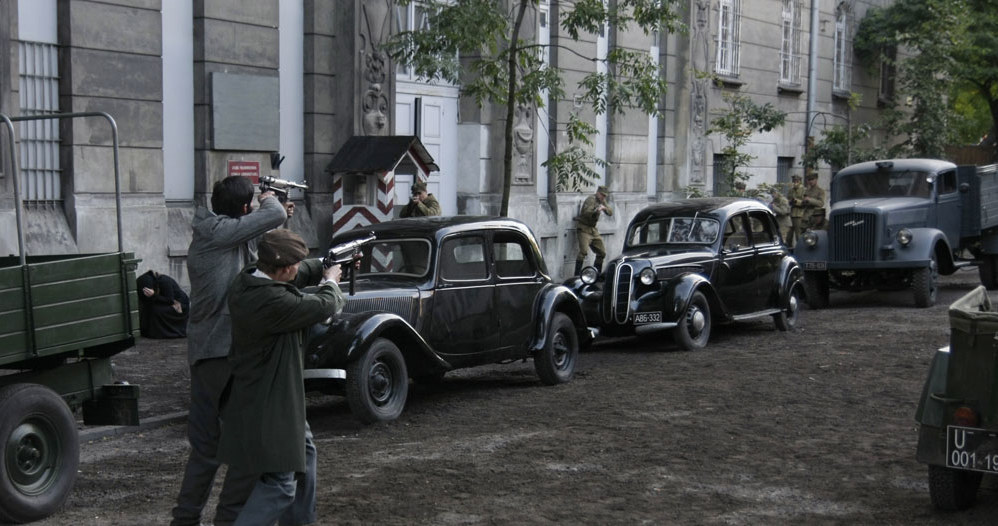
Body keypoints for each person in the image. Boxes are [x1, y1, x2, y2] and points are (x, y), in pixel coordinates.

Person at [172, 175, 290, 526]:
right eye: (249, 206)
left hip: (206, 355)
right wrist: (271, 203)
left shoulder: (215, 232)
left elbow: (254, 254)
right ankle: (228, 519)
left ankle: (185, 520)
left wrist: (272, 212)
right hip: (225, 353)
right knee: (248, 445)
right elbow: (272, 219)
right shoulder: (219, 234)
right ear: (242, 209)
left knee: (206, 450)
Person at [218, 229, 346, 526]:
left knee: (306, 452)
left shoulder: (249, 278)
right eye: (297, 265)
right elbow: (324, 305)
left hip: (269, 393)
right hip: (270, 400)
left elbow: (294, 277)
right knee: (280, 484)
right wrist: (331, 280)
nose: (299, 269)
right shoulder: (272, 301)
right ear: (286, 268)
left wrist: (328, 263)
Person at [136, 269, 189, 339]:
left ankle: (162, 333)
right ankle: (148, 331)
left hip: (179, 304)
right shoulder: (150, 281)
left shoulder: (164, 281)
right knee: (148, 308)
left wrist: (153, 295)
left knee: (156, 310)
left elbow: (169, 300)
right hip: (166, 302)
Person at [574, 185, 613, 276]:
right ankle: (576, 275)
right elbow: (586, 213)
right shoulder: (591, 199)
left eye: (605, 196)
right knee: (583, 252)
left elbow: (610, 212)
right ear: (598, 193)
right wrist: (596, 211)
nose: (603, 197)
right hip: (584, 228)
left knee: (602, 252)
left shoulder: (602, 201)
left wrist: (604, 208)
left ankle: (596, 274)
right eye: (602, 195)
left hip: (593, 229)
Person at [787, 174, 806, 244]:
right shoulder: (791, 190)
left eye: (797, 181)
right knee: (788, 235)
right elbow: (788, 200)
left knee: (798, 235)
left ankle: (800, 249)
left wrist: (796, 201)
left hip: (799, 214)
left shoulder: (804, 190)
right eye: (794, 181)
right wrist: (790, 201)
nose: (795, 182)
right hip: (791, 214)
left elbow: (805, 202)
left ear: (800, 181)